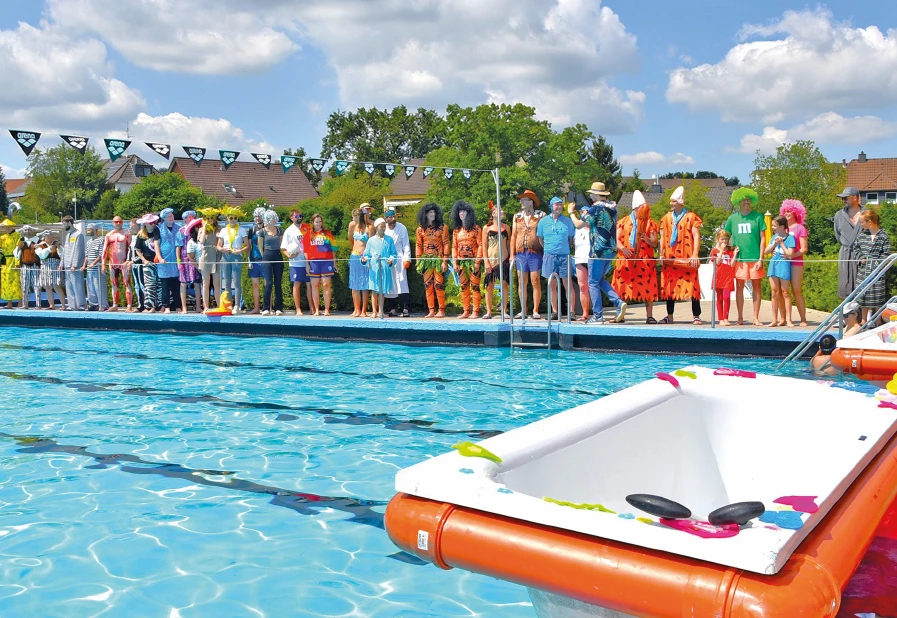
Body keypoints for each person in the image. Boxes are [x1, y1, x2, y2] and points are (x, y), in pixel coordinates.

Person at [569, 181, 627, 325]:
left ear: (595, 195)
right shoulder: (613, 207)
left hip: (598, 250)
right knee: (599, 279)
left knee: (593, 282)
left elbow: (578, 225)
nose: (591, 196)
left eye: (592, 194)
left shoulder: (595, 209)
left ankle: (598, 316)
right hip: (611, 249)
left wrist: (571, 212)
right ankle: (618, 302)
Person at [611, 190, 658, 324]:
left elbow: (655, 242)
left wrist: (648, 240)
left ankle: (649, 316)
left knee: (647, 287)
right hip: (626, 261)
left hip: (645, 260)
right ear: (636, 208)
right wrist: (623, 249)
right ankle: (620, 315)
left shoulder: (650, 223)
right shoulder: (623, 222)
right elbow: (616, 239)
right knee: (622, 286)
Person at [658, 186, 703, 324]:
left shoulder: (691, 217)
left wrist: (695, 254)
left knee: (693, 285)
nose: (671, 204)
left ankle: (696, 315)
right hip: (670, 259)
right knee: (669, 287)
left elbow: (696, 236)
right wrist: (660, 254)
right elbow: (662, 237)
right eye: (671, 201)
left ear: (680, 202)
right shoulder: (666, 218)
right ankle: (669, 316)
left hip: (687, 258)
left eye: (674, 201)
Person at [725, 187, 766, 326]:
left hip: (755, 258)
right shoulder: (732, 219)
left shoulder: (758, 217)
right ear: (739, 201)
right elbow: (725, 237)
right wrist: (729, 252)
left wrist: (761, 258)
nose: (746, 202)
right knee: (740, 287)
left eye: (748, 199)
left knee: (757, 286)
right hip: (740, 259)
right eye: (744, 200)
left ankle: (756, 317)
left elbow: (763, 239)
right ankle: (740, 317)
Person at [537, 196, 575, 320]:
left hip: (564, 255)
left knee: (567, 283)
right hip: (549, 256)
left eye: (560, 204)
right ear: (551, 206)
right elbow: (540, 239)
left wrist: (561, 248)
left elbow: (570, 239)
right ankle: (555, 311)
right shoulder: (543, 222)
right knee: (552, 284)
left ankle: (572, 311)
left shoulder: (567, 221)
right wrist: (549, 249)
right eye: (556, 205)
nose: (558, 207)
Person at [509, 189, 545, 319]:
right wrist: (512, 254)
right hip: (521, 252)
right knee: (521, 281)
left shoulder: (540, 215)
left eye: (524, 199)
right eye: (522, 199)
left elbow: (544, 233)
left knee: (535, 280)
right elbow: (513, 235)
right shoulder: (517, 216)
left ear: (531, 202)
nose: (522, 202)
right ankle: (523, 310)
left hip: (535, 251)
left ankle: (535, 310)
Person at [854, 209, 891, 323]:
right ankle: (863, 320)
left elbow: (886, 254)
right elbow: (856, 249)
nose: (861, 224)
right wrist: (861, 259)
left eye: (862, 222)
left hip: (877, 271)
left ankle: (878, 321)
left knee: (877, 297)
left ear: (869, 222)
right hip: (863, 271)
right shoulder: (861, 236)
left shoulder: (883, 236)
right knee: (863, 295)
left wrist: (874, 263)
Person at [415, 202, 450, 318]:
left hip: (438, 259)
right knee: (428, 285)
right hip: (426, 260)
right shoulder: (420, 229)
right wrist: (418, 261)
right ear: (425, 214)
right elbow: (418, 245)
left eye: (434, 212)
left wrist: (445, 261)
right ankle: (431, 310)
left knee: (438, 285)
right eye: (430, 212)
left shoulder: (442, 227)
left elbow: (446, 244)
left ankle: (441, 309)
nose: (432, 214)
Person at [451, 200, 483, 319]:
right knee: (464, 286)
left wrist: (477, 262)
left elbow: (480, 245)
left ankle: (475, 311)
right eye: (460, 211)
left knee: (475, 287)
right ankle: (465, 311)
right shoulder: (456, 231)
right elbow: (454, 247)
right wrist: (455, 262)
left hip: (473, 262)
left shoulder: (476, 229)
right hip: (461, 263)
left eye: (464, 211)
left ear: (469, 213)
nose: (462, 213)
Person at [810, 304, 862, 376]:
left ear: (855, 314)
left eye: (846, 315)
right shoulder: (847, 327)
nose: (843, 318)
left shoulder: (857, 330)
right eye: (842, 315)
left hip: (843, 361)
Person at [780, 200, 809, 327]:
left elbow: (804, 249)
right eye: (785, 211)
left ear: (796, 212)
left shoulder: (800, 228)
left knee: (796, 290)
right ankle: (784, 318)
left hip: (796, 263)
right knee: (783, 291)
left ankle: (803, 318)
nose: (787, 213)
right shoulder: (783, 229)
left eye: (789, 211)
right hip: (782, 263)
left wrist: (791, 256)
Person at [362, 217, 398, 319]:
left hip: (385, 267)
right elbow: (367, 254)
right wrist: (365, 260)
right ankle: (374, 311)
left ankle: (381, 311)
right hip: (374, 268)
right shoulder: (371, 240)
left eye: (384, 226)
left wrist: (391, 259)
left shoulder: (389, 239)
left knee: (382, 291)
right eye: (381, 227)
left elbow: (393, 253)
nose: (383, 228)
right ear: (377, 227)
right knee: (374, 290)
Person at [763, 215, 795, 327]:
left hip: (784, 264)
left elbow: (790, 255)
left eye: (774, 225)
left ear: (782, 226)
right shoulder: (774, 237)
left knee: (785, 292)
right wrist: (775, 243)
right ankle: (774, 320)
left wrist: (781, 244)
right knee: (774, 292)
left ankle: (789, 319)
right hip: (774, 264)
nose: (772, 227)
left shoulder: (790, 238)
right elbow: (766, 251)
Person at [302, 213, 336, 316]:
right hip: (313, 262)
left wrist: (334, 262)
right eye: (316, 222)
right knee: (315, 285)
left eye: (320, 221)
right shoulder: (308, 234)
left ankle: (326, 309)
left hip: (326, 261)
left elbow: (333, 249)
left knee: (326, 285)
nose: (318, 224)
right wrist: (307, 264)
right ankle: (317, 310)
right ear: (312, 223)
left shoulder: (328, 233)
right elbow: (305, 251)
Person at [481, 201, 510, 319]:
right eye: (499, 210)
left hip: (504, 259)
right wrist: (486, 261)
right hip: (491, 260)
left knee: (504, 284)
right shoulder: (486, 228)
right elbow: (483, 246)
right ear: (493, 214)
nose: (502, 212)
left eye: (502, 210)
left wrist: (511, 257)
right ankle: (488, 311)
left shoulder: (506, 227)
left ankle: (504, 310)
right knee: (489, 285)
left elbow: (508, 243)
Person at [834, 186, 865, 300]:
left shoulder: (867, 214)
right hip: (845, 254)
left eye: (846, 198)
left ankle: (863, 317)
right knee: (844, 285)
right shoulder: (838, 215)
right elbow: (837, 235)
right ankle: (847, 315)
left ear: (855, 198)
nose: (843, 200)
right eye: (842, 198)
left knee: (863, 286)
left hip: (862, 254)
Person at [216, 208, 248, 314]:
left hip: (236, 256)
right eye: (231, 218)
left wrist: (240, 251)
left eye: (235, 218)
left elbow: (247, 246)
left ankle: (237, 305)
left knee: (237, 281)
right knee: (227, 282)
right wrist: (223, 250)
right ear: (227, 219)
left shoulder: (242, 230)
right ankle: (228, 304)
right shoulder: (223, 230)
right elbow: (218, 246)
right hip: (226, 256)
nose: (233, 220)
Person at [281, 210, 312, 316]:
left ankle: (312, 308)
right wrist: (289, 256)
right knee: (297, 285)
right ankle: (298, 309)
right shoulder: (289, 231)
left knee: (310, 285)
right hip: (296, 263)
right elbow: (283, 247)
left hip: (308, 261)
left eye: (301, 216)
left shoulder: (307, 228)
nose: (299, 218)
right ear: (291, 218)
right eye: (297, 216)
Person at [384, 207, 412, 317]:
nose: (393, 218)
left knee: (402, 282)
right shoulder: (384, 228)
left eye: (394, 216)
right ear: (386, 219)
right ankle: (393, 309)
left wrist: (407, 259)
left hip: (400, 258)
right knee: (391, 284)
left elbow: (406, 244)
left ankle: (405, 309)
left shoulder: (402, 228)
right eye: (390, 217)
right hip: (388, 259)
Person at [102, 216, 132, 312]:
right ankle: (115, 305)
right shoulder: (109, 235)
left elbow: (131, 248)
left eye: (120, 221)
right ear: (113, 223)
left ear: (122, 222)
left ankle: (129, 306)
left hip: (123, 262)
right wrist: (103, 263)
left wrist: (130, 260)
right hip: (112, 263)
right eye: (116, 222)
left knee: (127, 283)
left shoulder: (127, 234)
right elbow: (105, 250)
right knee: (114, 284)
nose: (118, 223)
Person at [348, 205, 374, 317]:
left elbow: (371, 244)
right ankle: (356, 309)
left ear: (360, 217)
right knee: (354, 284)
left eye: (355, 217)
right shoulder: (352, 226)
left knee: (364, 284)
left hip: (365, 257)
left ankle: (363, 310)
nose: (353, 219)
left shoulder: (369, 227)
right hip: (354, 256)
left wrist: (368, 258)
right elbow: (351, 239)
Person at [257, 209, 284, 316]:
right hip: (267, 257)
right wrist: (264, 256)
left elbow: (282, 245)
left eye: (274, 218)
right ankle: (266, 308)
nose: (274, 220)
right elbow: (260, 246)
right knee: (268, 283)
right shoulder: (262, 232)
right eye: (271, 218)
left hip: (278, 256)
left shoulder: (279, 230)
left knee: (278, 283)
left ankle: (279, 308)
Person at [156, 208, 182, 314]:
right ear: (164, 218)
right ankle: (166, 306)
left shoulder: (179, 228)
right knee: (165, 286)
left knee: (176, 285)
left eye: (172, 215)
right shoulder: (158, 229)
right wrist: (160, 258)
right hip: (164, 261)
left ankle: (178, 306)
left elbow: (180, 245)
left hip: (175, 260)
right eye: (169, 216)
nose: (171, 218)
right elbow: (157, 245)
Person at [134, 214, 161, 312]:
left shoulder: (156, 230)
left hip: (157, 262)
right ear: (146, 224)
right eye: (151, 223)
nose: (153, 224)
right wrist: (144, 260)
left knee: (159, 285)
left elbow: (158, 245)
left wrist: (158, 257)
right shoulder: (141, 234)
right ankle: (149, 306)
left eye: (154, 222)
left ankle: (158, 306)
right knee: (149, 285)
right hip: (147, 263)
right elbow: (137, 250)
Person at [709, 230, 737, 326]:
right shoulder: (714, 251)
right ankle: (721, 318)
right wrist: (721, 250)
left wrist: (735, 254)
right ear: (718, 239)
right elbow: (718, 262)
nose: (724, 241)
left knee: (727, 297)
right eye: (722, 239)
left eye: (725, 239)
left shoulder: (730, 251)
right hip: (718, 276)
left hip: (728, 276)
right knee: (720, 298)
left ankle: (726, 317)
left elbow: (733, 264)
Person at [196, 209, 221, 313]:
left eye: (212, 218)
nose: (210, 220)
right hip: (205, 255)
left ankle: (220, 305)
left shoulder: (219, 228)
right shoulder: (201, 229)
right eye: (208, 218)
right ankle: (205, 306)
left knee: (217, 283)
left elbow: (221, 240)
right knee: (206, 283)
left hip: (215, 255)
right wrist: (205, 227)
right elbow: (201, 241)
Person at [60, 216, 85, 311]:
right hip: (67, 265)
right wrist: (61, 263)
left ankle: (81, 305)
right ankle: (72, 305)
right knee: (69, 286)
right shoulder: (67, 235)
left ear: (70, 223)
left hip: (75, 266)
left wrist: (74, 264)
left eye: (64, 223)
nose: (63, 225)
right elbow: (65, 250)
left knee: (77, 285)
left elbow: (78, 250)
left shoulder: (79, 235)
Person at [177, 210, 200, 314]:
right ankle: (184, 307)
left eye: (192, 216)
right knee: (183, 283)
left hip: (195, 259)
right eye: (188, 217)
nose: (191, 218)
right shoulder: (181, 231)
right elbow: (178, 247)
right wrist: (179, 261)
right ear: (184, 219)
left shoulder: (197, 229)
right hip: (184, 259)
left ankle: (199, 306)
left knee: (197, 282)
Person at [37, 231, 65, 309]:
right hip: (45, 267)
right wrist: (49, 249)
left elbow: (62, 254)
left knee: (57, 285)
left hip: (55, 266)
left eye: (50, 235)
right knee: (47, 286)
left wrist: (58, 247)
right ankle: (51, 305)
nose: (49, 237)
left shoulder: (57, 244)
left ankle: (63, 305)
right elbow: (41, 256)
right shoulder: (40, 245)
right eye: (47, 236)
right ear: (44, 237)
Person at [83, 224, 109, 311]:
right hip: (89, 268)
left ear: (94, 230)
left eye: (88, 230)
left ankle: (103, 305)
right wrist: (84, 265)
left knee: (99, 287)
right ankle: (93, 304)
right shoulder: (89, 242)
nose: (87, 231)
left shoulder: (101, 239)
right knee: (90, 287)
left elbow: (101, 254)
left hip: (97, 268)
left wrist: (94, 263)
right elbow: (86, 255)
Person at [246, 206, 266, 314]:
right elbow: (249, 246)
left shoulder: (267, 228)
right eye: (256, 216)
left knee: (267, 284)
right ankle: (256, 307)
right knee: (255, 285)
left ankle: (268, 308)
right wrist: (249, 260)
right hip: (254, 259)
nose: (257, 218)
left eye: (259, 216)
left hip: (265, 259)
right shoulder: (252, 229)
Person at [16, 225, 40, 309]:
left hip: (35, 265)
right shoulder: (22, 241)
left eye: (29, 229)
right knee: (24, 285)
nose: (27, 231)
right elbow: (16, 253)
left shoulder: (37, 240)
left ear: (32, 231)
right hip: (24, 266)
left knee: (36, 285)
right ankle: (25, 304)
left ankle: (38, 305)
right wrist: (19, 245)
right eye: (25, 230)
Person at [0, 219, 22, 308]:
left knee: (17, 281)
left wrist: (17, 262)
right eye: (5, 227)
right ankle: (9, 303)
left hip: (14, 260)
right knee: (6, 282)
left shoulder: (18, 235)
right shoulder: (2, 237)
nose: (7, 228)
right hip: (5, 261)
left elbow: (18, 249)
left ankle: (21, 301)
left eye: (8, 226)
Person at [127, 218, 147, 312]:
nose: (130, 226)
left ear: (136, 225)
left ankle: (146, 305)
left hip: (140, 264)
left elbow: (143, 250)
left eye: (131, 224)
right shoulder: (134, 236)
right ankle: (140, 304)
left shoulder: (142, 235)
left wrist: (134, 261)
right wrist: (128, 260)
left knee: (143, 284)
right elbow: (130, 250)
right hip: (134, 264)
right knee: (137, 285)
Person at [572, 221, 591, 321]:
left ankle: (598, 313)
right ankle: (585, 314)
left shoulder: (596, 227)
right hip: (580, 260)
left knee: (595, 286)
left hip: (593, 260)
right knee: (582, 286)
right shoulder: (577, 229)